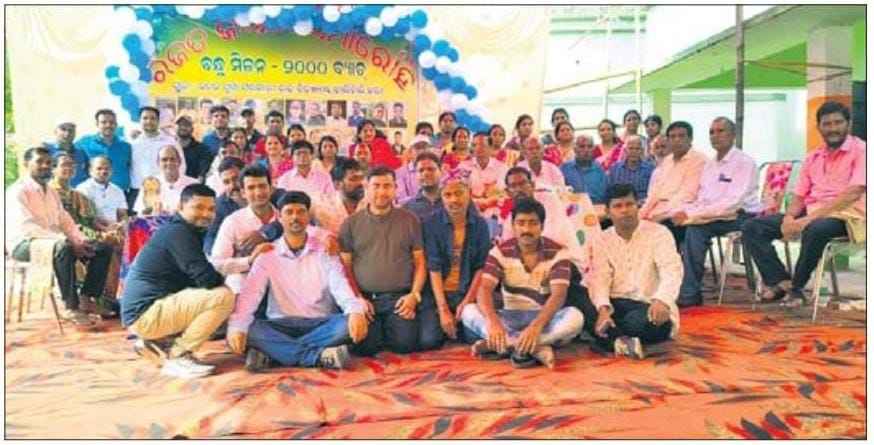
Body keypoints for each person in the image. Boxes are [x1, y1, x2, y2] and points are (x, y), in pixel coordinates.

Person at [227, 191, 378, 371]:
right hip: (281, 324)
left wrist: (355, 311)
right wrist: (237, 326)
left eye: (300, 212)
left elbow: (341, 287)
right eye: (289, 212)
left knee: (349, 325)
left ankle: (275, 354)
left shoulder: (325, 251)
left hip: (321, 323)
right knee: (248, 329)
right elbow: (250, 295)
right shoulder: (267, 254)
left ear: (308, 216)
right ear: (280, 218)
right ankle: (317, 356)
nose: (295, 217)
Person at [742, 101, 866, 306]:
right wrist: (789, 218)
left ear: (849, 124)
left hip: (847, 215)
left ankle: (797, 288)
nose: (833, 128)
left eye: (838, 122)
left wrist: (807, 220)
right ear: (819, 127)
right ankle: (781, 282)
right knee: (752, 227)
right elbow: (799, 195)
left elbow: (852, 194)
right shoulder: (813, 156)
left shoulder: (862, 151)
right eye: (827, 124)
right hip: (812, 213)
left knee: (815, 229)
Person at [121, 184, 235, 379]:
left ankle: (157, 342)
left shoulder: (185, 230)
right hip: (144, 314)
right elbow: (206, 278)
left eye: (210, 209)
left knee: (209, 294)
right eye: (198, 207)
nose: (205, 214)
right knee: (223, 297)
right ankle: (178, 355)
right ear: (180, 207)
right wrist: (223, 278)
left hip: (147, 310)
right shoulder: (178, 233)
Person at [461, 197, 584, 369]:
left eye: (533, 223)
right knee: (468, 311)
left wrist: (536, 327)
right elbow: (485, 289)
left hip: (543, 319)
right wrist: (493, 323)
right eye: (521, 223)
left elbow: (558, 295)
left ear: (542, 226)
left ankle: (505, 344)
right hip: (508, 317)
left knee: (575, 317)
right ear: (513, 226)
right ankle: (535, 347)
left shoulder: (559, 253)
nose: (526, 229)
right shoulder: (499, 252)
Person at [7, 147, 114, 325]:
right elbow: (28, 228)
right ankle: (71, 307)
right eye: (39, 162)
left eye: (48, 163)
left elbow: (65, 221)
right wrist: (66, 241)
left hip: (54, 241)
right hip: (24, 244)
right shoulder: (17, 191)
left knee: (101, 248)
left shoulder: (51, 192)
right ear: (26, 164)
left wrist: (81, 241)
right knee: (63, 248)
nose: (45, 166)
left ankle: (87, 298)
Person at [577, 184, 681, 359]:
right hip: (615, 304)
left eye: (629, 204)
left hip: (649, 305)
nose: (625, 210)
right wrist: (603, 310)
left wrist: (662, 300)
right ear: (607, 212)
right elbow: (601, 277)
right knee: (578, 294)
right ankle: (619, 340)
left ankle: (608, 337)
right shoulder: (601, 239)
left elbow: (671, 270)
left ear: (637, 206)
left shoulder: (659, 233)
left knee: (639, 322)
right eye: (618, 206)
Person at [338, 167, 428, 353]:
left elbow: (420, 262)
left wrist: (414, 295)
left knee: (404, 345)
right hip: (366, 299)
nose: (381, 191)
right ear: (366, 188)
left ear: (395, 189)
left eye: (387, 186)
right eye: (376, 186)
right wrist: (357, 299)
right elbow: (345, 267)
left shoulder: (409, 220)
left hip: (399, 299)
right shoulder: (351, 223)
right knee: (365, 347)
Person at [675, 117, 761, 307]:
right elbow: (702, 199)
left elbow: (732, 203)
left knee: (695, 230)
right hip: (713, 216)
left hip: (741, 217)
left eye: (721, 131)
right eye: (712, 132)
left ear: (733, 135)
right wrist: (685, 213)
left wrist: (694, 217)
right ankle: (680, 288)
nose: (715, 136)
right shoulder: (710, 164)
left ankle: (689, 293)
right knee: (676, 227)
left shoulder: (744, 163)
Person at [420, 176, 491, 349]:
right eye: (448, 195)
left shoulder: (480, 225)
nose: (453, 200)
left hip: (465, 291)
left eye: (459, 193)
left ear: (469, 194)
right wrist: (443, 309)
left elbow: (481, 267)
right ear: (442, 198)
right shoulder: (431, 224)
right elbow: (434, 267)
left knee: (472, 336)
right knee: (429, 340)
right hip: (437, 295)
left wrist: (467, 301)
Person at [210, 165, 278, 294]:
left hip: (280, 289)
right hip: (243, 289)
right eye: (251, 188)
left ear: (271, 189)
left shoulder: (284, 217)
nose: (258, 192)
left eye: (262, 186)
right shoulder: (233, 221)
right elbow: (217, 264)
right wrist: (249, 261)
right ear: (243, 193)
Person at [639, 121, 708, 249]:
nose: (677, 140)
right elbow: (654, 193)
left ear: (690, 139)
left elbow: (688, 195)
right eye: (672, 136)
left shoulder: (699, 160)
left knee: (659, 232)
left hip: (681, 213)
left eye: (681, 136)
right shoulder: (667, 161)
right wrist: (641, 215)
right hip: (658, 212)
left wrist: (661, 216)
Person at [76, 109, 133, 207]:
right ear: (97, 124)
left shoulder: (126, 146)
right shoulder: (85, 143)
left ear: (116, 124)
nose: (108, 125)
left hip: (121, 196)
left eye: (111, 122)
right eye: (104, 122)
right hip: (94, 196)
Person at [131, 107, 184, 209]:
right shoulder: (133, 144)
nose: (149, 121)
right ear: (139, 121)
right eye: (145, 118)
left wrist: (174, 187)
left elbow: (181, 165)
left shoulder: (171, 142)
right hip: (138, 191)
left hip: (164, 190)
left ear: (158, 121)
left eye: (152, 118)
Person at [133, 145, 199, 215]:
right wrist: (153, 214)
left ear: (179, 161)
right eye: (164, 160)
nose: (169, 163)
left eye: (172, 159)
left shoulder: (193, 184)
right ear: (158, 163)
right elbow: (141, 213)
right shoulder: (149, 184)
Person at [459, 131, 508, 219]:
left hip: (495, 214)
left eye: (482, 145)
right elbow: (461, 192)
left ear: (491, 147)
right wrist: (480, 202)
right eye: (474, 145)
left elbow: (502, 194)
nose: (478, 148)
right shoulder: (463, 166)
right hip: (469, 212)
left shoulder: (502, 168)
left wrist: (487, 202)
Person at [204, 157, 246, 255]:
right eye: (226, 182)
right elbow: (211, 237)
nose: (232, 186)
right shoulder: (219, 205)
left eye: (236, 179)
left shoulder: (262, 193)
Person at [277, 140, 335, 204]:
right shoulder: (285, 179)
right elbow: (281, 203)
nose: (302, 156)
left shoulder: (324, 177)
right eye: (298, 153)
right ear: (292, 157)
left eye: (306, 153)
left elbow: (332, 200)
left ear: (312, 156)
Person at [76, 156, 128, 225]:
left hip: (115, 228)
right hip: (92, 228)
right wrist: (106, 228)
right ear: (90, 171)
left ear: (111, 171)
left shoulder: (117, 190)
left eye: (107, 168)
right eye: (99, 168)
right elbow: (86, 217)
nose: (103, 171)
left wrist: (122, 225)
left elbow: (122, 214)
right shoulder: (83, 189)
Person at [607, 135, 655, 205]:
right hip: (621, 206)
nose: (634, 151)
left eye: (637, 149)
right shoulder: (615, 169)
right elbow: (610, 192)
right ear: (625, 150)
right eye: (631, 148)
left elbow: (654, 193)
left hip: (644, 206)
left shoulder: (650, 169)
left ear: (642, 151)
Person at [560, 135, 608, 204]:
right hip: (574, 208)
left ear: (593, 149)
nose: (586, 150)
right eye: (582, 146)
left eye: (589, 146)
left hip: (597, 207)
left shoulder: (600, 169)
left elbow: (605, 195)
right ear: (575, 149)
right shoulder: (564, 169)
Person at [45, 120, 89, 186]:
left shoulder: (81, 153)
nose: (67, 133)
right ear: (55, 131)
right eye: (63, 129)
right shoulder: (46, 150)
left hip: (77, 191)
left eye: (70, 130)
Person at [402, 151, 444, 222]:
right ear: (416, 175)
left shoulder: (454, 201)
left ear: (441, 171)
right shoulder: (407, 208)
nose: (426, 173)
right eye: (421, 170)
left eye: (430, 169)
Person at [395, 135, 433, 205]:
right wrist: (423, 198)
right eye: (418, 148)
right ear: (410, 152)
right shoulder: (400, 173)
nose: (422, 151)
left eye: (425, 148)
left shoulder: (437, 170)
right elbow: (400, 200)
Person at [176, 116, 213, 182]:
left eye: (187, 125)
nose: (183, 127)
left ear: (192, 129)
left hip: (192, 185)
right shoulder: (169, 147)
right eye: (180, 125)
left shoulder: (202, 149)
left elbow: (202, 172)